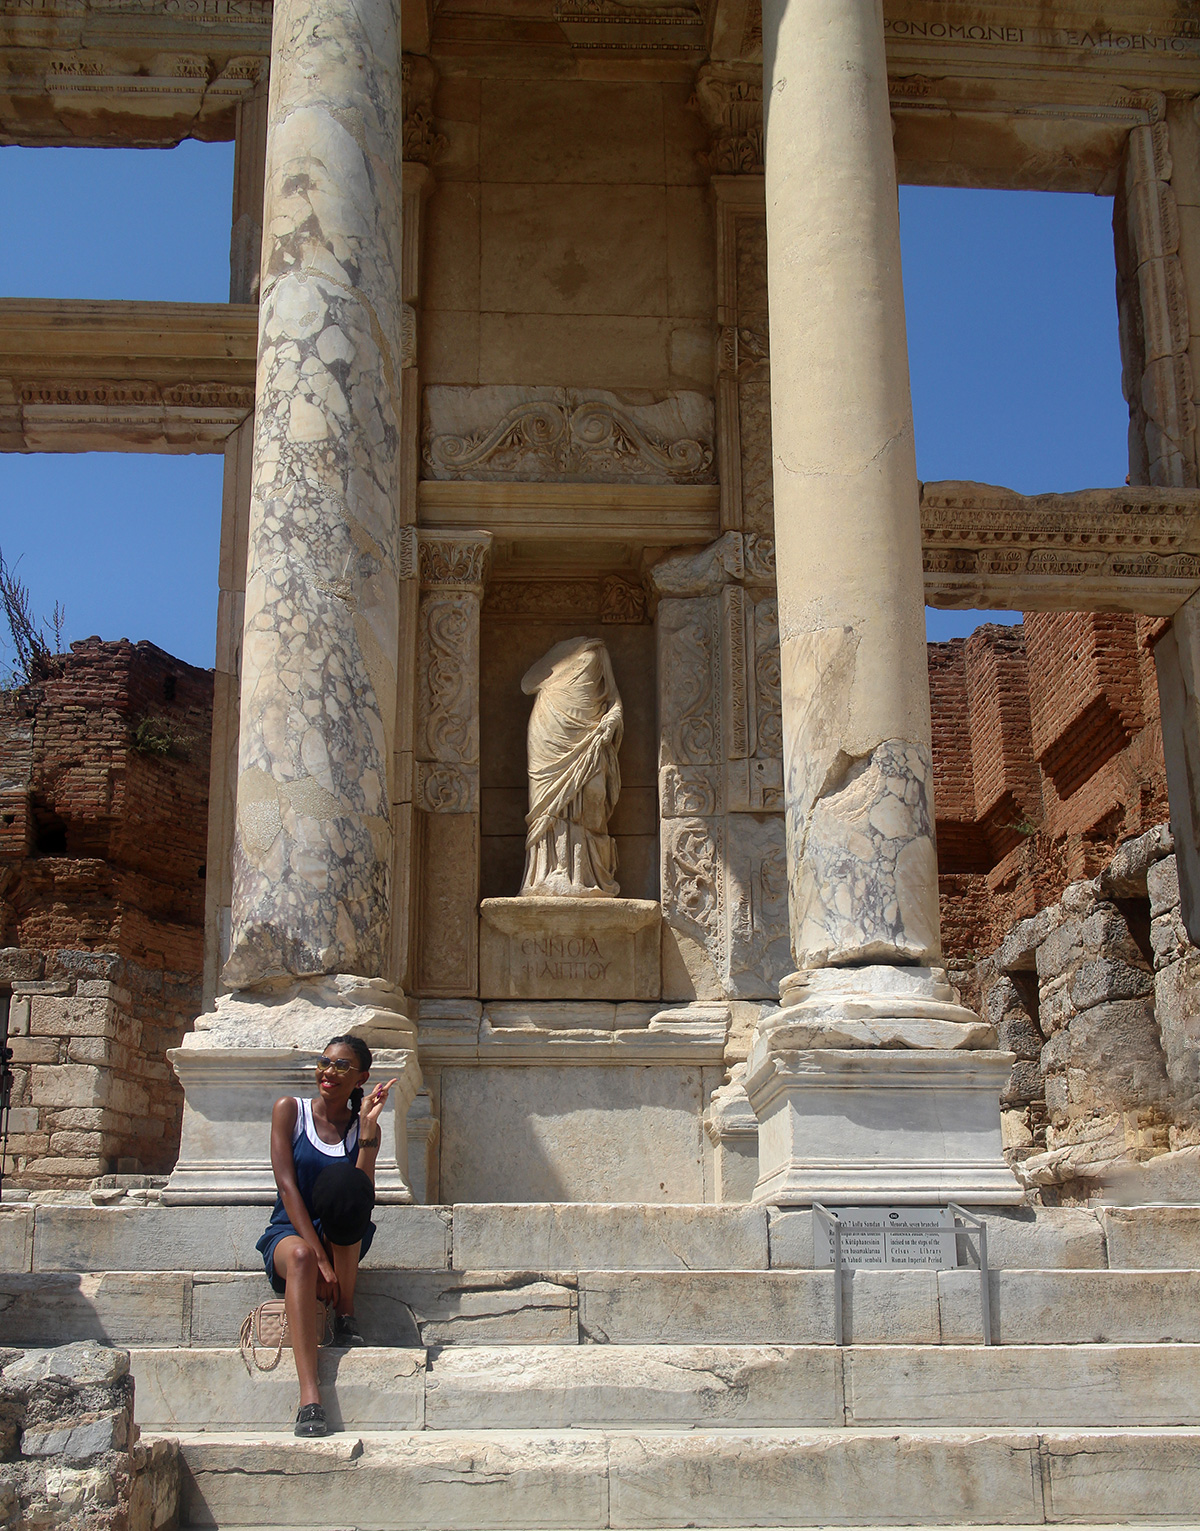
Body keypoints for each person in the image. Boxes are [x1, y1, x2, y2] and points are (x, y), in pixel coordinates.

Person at [255, 1034, 396, 1437]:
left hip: (341, 1236)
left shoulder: (362, 1129)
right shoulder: (290, 1111)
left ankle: (345, 1312)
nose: (329, 1072)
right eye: (325, 1062)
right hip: (291, 1233)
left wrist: (368, 1128)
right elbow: (286, 1186)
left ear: (361, 1078)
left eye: (341, 1066)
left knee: (346, 1187)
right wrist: (318, 1258)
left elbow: (361, 1193)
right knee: (299, 1256)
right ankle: (309, 1399)